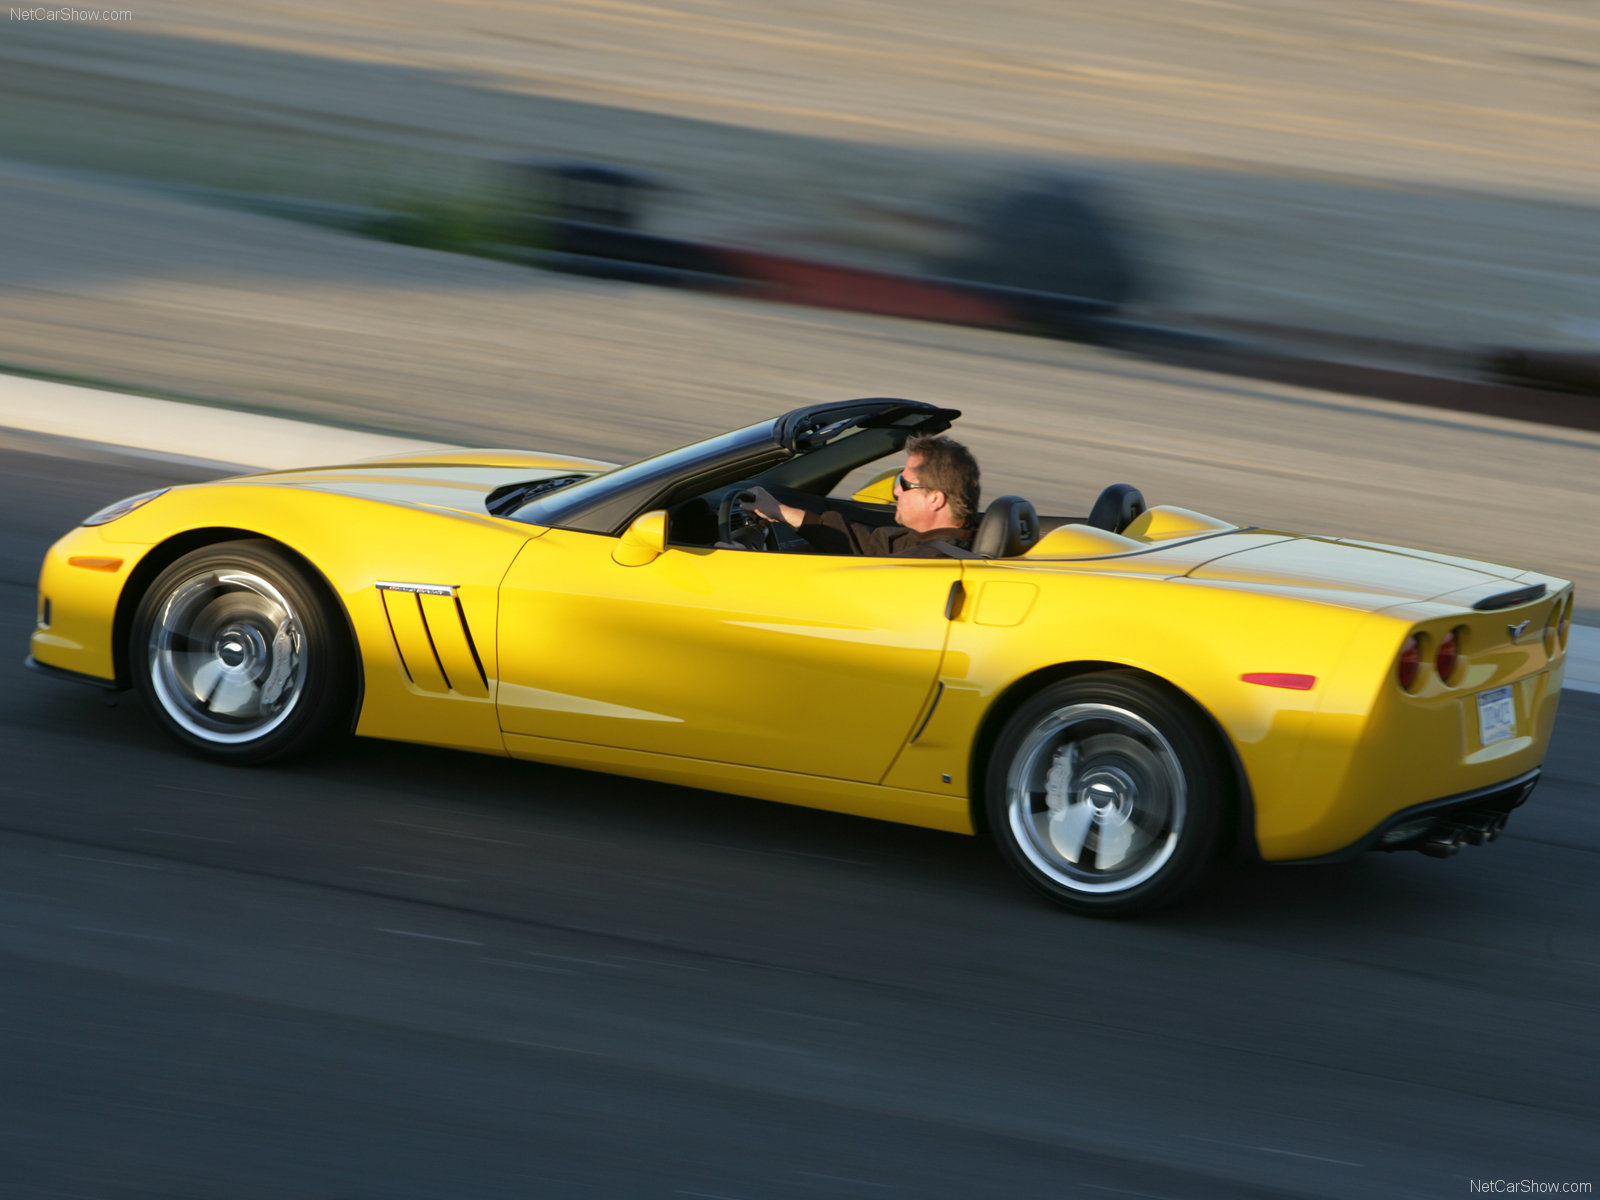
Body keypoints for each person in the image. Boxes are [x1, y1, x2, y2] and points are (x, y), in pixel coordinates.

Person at [741, 434, 981, 558]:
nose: (896, 490)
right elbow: (867, 544)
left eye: (905, 483)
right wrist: (781, 512)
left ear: (935, 499)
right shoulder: (930, 540)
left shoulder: (926, 562)